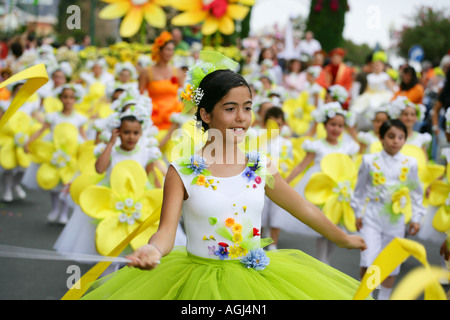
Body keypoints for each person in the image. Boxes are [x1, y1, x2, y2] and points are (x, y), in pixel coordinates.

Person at [80, 51, 367, 300]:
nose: (242, 117)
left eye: (247, 108)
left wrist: (341, 237)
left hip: (255, 282)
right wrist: (153, 249)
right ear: (206, 115)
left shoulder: (259, 166)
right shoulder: (181, 171)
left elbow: (301, 207)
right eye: (230, 109)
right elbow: (167, 231)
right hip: (196, 281)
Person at [351, 119, 425, 300]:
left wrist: (416, 217)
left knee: (391, 261)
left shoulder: (410, 163)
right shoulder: (369, 160)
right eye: (391, 136)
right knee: (368, 259)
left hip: (395, 219)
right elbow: (359, 190)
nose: (396, 141)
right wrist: (358, 213)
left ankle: (384, 296)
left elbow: (416, 193)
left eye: (401, 137)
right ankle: (366, 295)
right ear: (381, 137)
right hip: (372, 216)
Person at [280, 102, 360, 265]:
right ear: (324, 125)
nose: (336, 129)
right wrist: (285, 182)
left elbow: (350, 169)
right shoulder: (316, 145)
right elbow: (302, 166)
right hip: (319, 189)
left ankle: (327, 259)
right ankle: (323, 260)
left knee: (334, 225)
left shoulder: (348, 147)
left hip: (338, 190)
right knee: (322, 225)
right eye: (332, 124)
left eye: (340, 126)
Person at [23, 84, 88, 224]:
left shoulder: (80, 118)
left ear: (75, 99)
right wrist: (29, 142)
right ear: (60, 98)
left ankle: (64, 212)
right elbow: (41, 130)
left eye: (71, 97)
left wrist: (88, 152)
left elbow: (83, 137)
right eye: (65, 97)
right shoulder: (52, 117)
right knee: (53, 183)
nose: (68, 100)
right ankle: (54, 209)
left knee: (66, 182)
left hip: (71, 154)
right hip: (53, 152)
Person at [139, 31, 185, 131]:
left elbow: (183, 95)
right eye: (168, 50)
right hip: (154, 116)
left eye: (172, 50)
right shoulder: (147, 72)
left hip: (174, 116)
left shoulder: (178, 72)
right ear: (159, 50)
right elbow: (140, 95)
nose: (171, 53)